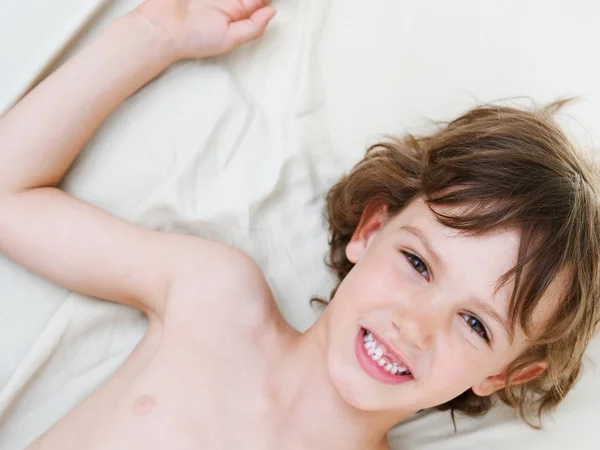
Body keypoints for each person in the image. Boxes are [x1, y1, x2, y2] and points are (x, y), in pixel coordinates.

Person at [0, 0, 598, 449]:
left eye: (475, 323)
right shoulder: (215, 299)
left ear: (504, 374)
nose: (414, 325)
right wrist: (151, 36)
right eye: (417, 264)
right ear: (370, 229)